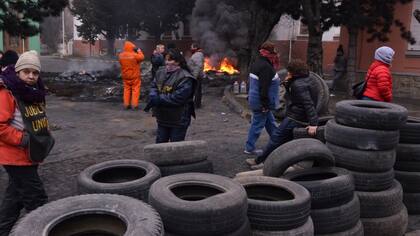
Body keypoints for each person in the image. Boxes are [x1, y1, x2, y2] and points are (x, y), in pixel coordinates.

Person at [0, 50, 55, 236]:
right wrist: (23, 139)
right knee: (37, 200)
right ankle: (44, 230)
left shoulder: (34, 92)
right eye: (26, 72)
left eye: (35, 72)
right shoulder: (7, 92)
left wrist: (45, 132)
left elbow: (34, 117)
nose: (31, 76)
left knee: (14, 199)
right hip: (16, 156)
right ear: (18, 72)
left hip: (29, 154)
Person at [246, 59, 318, 169]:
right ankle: (282, 162)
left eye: (289, 71)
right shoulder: (307, 79)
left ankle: (259, 162)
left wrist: (313, 124)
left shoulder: (298, 85)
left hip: (295, 118)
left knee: (276, 138)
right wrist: (288, 82)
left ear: (294, 71)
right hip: (298, 116)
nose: (287, 73)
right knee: (286, 140)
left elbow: (308, 104)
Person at [145, 48, 196, 143]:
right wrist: (153, 95)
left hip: (179, 118)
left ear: (178, 62)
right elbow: (154, 86)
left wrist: (159, 99)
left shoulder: (185, 77)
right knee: (160, 143)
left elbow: (178, 97)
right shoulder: (160, 72)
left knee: (175, 145)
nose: (167, 62)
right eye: (166, 60)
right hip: (162, 117)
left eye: (170, 60)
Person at [244, 41, 280, 155]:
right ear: (269, 53)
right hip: (262, 102)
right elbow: (263, 88)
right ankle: (249, 148)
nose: (275, 55)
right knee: (257, 124)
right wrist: (265, 104)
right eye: (274, 52)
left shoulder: (257, 63)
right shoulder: (266, 67)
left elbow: (253, 84)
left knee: (271, 123)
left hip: (256, 99)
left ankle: (278, 142)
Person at [118, 41, 145, 110]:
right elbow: (142, 58)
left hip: (125, 75)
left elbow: (121, 63)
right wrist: (139, 51)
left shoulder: (121, 55)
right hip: (134, 75)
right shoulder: (134, 55)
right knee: (135, 89)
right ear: (132, 47)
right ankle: (134, 105)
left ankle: (126, 104)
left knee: (126, 89)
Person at [188, 43, 205, 109]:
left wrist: (194, 77)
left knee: (196, 90)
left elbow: (198, 67)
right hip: (198, 75)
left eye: (191, 47)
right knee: (198, 90)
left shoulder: (197, 55)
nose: (190, 49)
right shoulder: (199, 54)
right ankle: (197, 104)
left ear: (195, 48)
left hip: (196, 76)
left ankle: (195, 105)